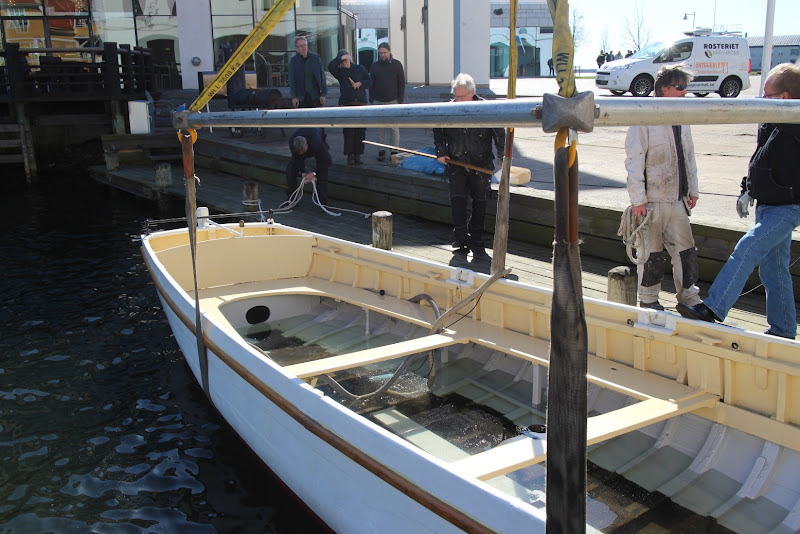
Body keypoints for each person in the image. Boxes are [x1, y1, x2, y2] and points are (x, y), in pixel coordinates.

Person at [677, 63, 800, 339]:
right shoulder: (770, 120)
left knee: (747, 247)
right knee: (774, 270)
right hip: (767, 204)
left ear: (786, 97)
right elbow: (760, 158)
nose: (763, 101)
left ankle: (714, 308)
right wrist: (748, 188)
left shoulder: (795, 122)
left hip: (789, 206)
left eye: (768, 96)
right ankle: (783, 330)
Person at [624, 65, 701, 311]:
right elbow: (634, 158)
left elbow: (688, 155)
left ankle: (689, 298)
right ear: (663, 88)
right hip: (653, 201)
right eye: (679, 87)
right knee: (651, 254)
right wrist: (638, 199)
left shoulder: (683, 117)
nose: (684, 92)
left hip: (677, 199)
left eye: (686, 88)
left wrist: (693, 189)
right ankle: (648, 300)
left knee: (686, 251)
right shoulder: (644, 116)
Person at [434, 73, 505, 253]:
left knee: (480, 201)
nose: (458, 100)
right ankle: (459, 237)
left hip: (481, 163)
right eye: (455, 96)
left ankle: (476, 237)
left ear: (472, 92)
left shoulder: (486, 109)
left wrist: (502, 157)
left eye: (462, 96)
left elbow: (499, 134)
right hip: (456, 162)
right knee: (457, 201)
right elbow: (438, 131)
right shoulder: (447, 110)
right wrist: (441, 152)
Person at [328, 49, 371, 165]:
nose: (344, 63)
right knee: (348, 131)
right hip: (347, 103)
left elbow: (369, 80)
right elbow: (330, 66)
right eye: (342, 61)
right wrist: (339, 59)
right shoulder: (340, 72)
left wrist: (360, 83)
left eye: (346, 60)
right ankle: (350, 155)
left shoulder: (359, 68)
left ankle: (358, 155)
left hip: (360, 103)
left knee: (360, 131)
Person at [369, 43, 405, 162]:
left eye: (384, 52)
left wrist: (400, 99)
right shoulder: (375, 66)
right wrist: (372, 99)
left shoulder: (397, 65)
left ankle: (394, 151)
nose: (382, 55)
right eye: (380, 53)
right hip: (378, 100)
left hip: (393, 100)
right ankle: (381, 150)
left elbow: (401, 83)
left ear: (389, 52)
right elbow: (371, 83)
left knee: (394, 128)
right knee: (380, 128)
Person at [285, 128, 331, 205]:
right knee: (290, 171)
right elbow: (297, 158)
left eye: (302, 152)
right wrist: (303, 171)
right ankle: (292, 198)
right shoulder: (292, 142)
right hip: (299, 149)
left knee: (323, 173)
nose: (301, 154)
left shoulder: (316, 143)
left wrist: (314, 173)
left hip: (317, 137)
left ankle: (322, 202)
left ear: (306, 146)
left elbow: (327, 161)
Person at [288, 36, 327, 109]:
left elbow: (322, 77)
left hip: (315, 96)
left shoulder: (316, 59)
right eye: (300, 46)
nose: (303, 48)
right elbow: (291, 80)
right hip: (301, 98)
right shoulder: (293, 61)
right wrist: (294, 97)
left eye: (304, 45)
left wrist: (323, 94)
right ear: (296, 48)